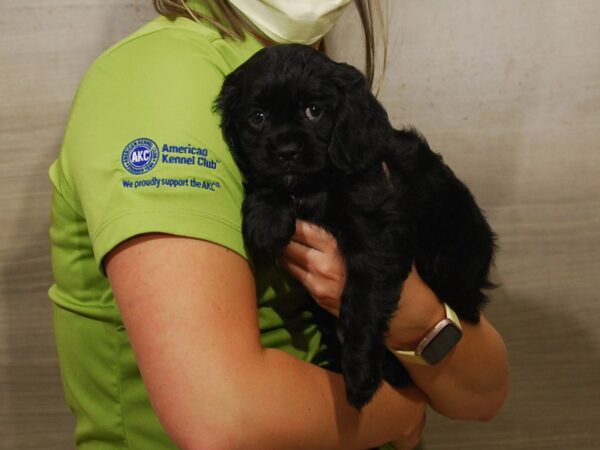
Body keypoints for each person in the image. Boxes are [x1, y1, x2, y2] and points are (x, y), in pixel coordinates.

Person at [48, 0, 509, 448]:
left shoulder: (308, 71)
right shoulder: (167, 77)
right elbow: (220, 417)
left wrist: (416, 314)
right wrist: (402, 414)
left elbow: (484, 393)